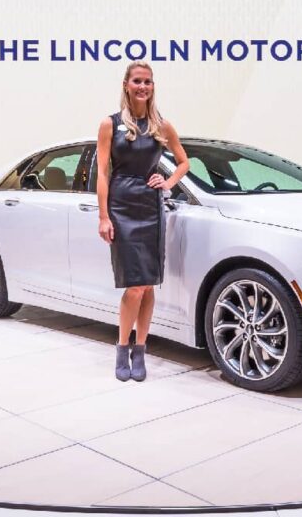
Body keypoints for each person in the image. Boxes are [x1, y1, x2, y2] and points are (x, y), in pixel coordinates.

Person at [96, 61, 189, 382]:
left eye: (148, 81)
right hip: (122, 206)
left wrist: (167, 182)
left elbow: (183, 161)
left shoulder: (162, 125)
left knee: (148, 284)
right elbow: (103, 173)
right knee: (134, 286)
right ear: (126, 85)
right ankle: (122, 348)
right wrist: (104, 216)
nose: (143, 86)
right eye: (137, 81)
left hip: (151, 209)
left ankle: (141, 350)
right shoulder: (110, 125)